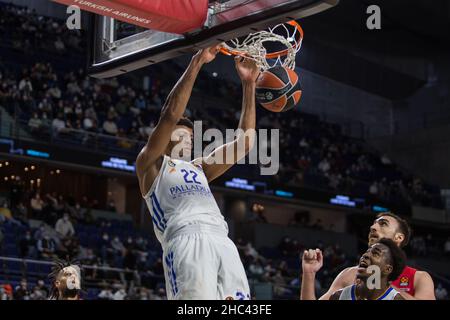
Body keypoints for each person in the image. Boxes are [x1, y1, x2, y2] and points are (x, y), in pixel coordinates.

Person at [135, 45, 260, 300]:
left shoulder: (200, 166)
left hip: (222, 240)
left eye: (192, 137)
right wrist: (197, 62)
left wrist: (249, 85)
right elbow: (170, 113)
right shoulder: (151, 164)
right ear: (165, 137)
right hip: (185, 239)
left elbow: (244, 142)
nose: (190, 141)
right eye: (183, 134)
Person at [301, 212, 435, 300]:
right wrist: (309, 274)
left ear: (398, 237)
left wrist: (380, 284)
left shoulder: (419, 278)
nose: (373, 227)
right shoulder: (348, 274)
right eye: (373, 223)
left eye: (382, 224)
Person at [330, 238, 406, 300]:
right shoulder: (338, 297)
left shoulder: (396, 299)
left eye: (375, 253)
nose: (365, 255)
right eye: (367, 251)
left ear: (387, 269)